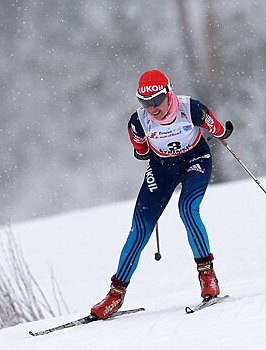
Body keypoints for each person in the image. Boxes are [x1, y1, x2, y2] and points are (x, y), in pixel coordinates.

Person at [91, 70, 233, 319]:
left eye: (157, 100)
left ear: (168, 93)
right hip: (161, 167)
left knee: (187, 209)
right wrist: (144, 152)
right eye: (145, 102)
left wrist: (222, 134)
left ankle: (207, 275)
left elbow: (215, 127)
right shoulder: (138, 121)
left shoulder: (191, 109)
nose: (153, 108)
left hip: (195, 159)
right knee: (140, 228)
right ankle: (115, 295)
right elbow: (140, 147)